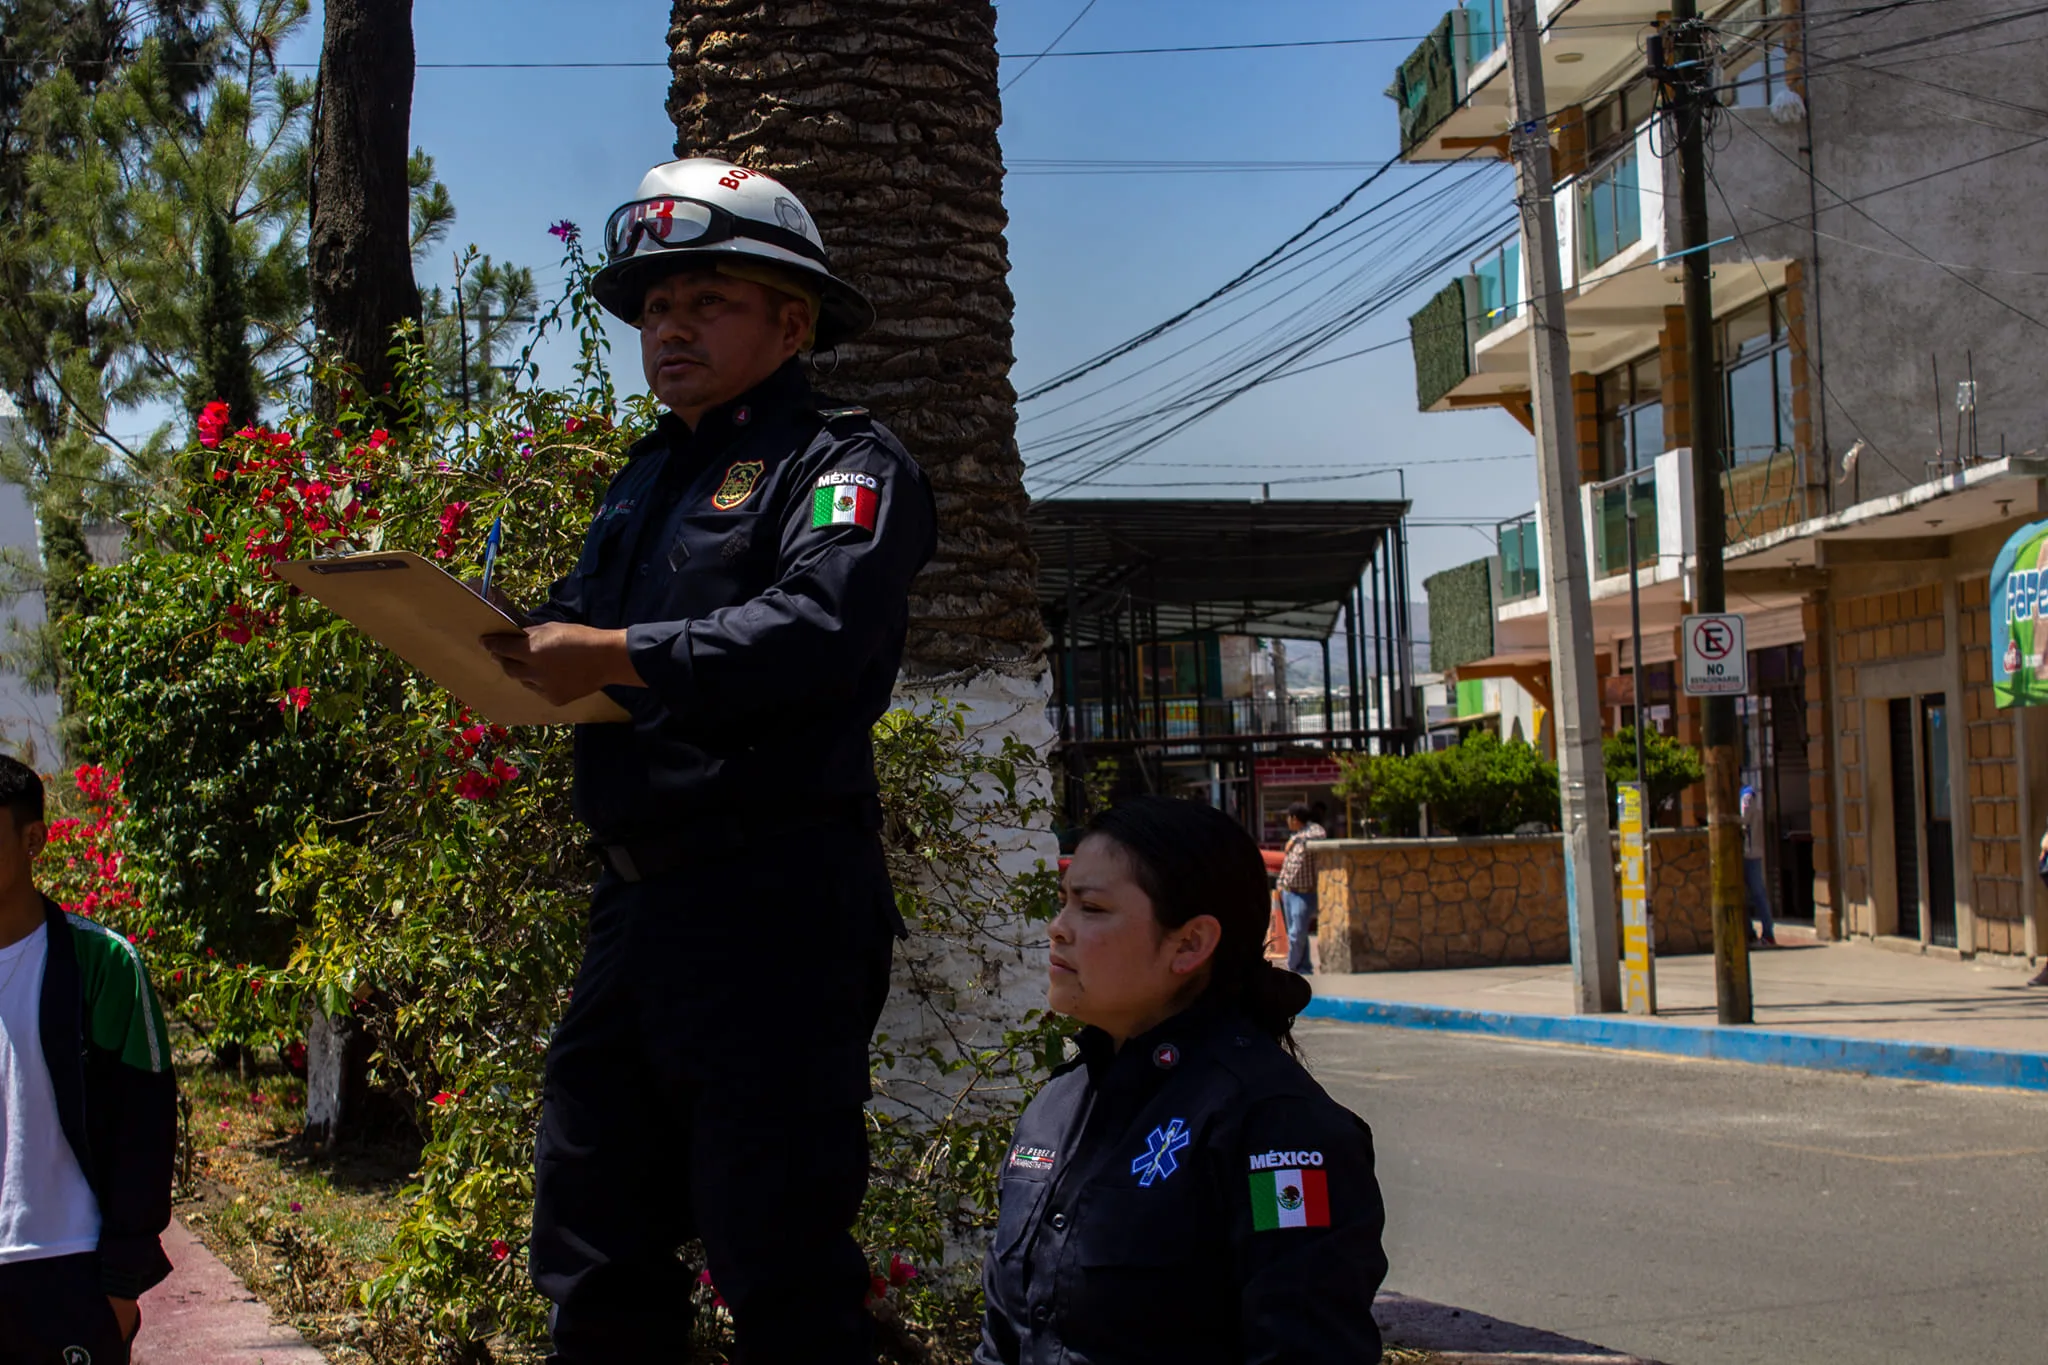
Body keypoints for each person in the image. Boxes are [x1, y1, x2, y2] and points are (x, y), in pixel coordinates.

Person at [482, 158, 936, 1364]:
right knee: (591, 1237)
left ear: (792, 322)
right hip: (635, 904)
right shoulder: (643, 480)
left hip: (773, 902)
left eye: (706, 303)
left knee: (775, 1254)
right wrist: (485, 633)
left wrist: (612, 649)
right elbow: (570, 628)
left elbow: (819, 627)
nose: (668, 328)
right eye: (654, 309)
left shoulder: (842, 463)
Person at [978, 795, 1387, 1363]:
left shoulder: (1276, 1128)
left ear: (1190, 943)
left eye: (1091, 908)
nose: (1057, 929)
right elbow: (1003, 1343)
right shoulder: (1055, 1107)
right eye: (1063, 902)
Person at [0, 756, 176, 1365]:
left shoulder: (103, 965)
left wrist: (121, 1285)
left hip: (67, 1267)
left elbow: (146, 1129)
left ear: (32, 839)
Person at [1276, 801, 1325, 975]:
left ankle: (1290, 967)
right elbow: (1288, 865)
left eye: (1289, 818)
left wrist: (1295, 838)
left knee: (1297, 933)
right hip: (1290, 891)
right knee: (1295, 934)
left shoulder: (1310, 833)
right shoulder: (1295, 837)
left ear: (1295, 819)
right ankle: (1303, 967)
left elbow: (1320, 835)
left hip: (1304, 893)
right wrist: (1281, 884)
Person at [1740, 784, 1777, 946]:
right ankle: (1749, 933)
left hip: (1751, 852)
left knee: (1758, 894)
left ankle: (1768, 933)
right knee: (1742, 895)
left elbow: (1744, 818)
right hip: (1743, 852)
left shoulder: (1747, 795)